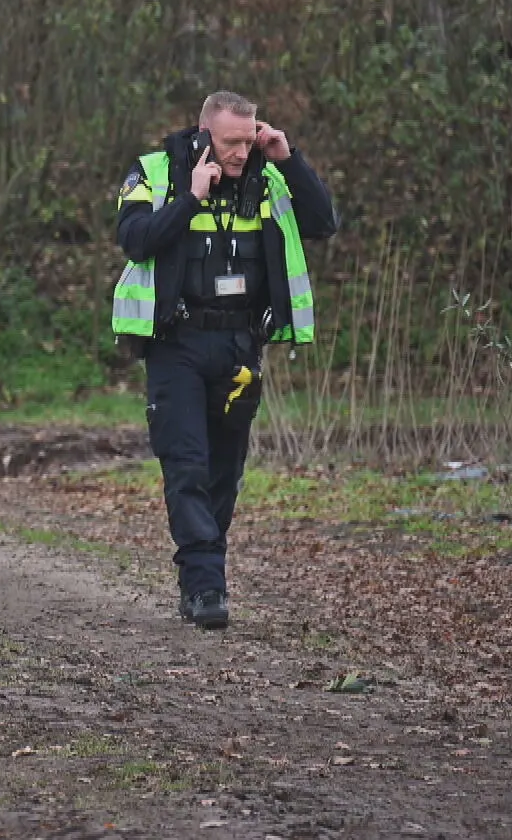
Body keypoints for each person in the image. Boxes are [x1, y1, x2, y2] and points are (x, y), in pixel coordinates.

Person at [109, 91, 338, 630]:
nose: (241, 151)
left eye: (249, 137)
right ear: (205, 132)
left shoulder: (268, 174)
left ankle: (203, 573)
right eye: (231, 141)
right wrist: (188, 199)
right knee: (186, 464)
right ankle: (205, 586)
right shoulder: (155, 171)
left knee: (224, 473)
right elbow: (135, 240)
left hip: (239, 347)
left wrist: (289, 157)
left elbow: (323, 222)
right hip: (177, 345)